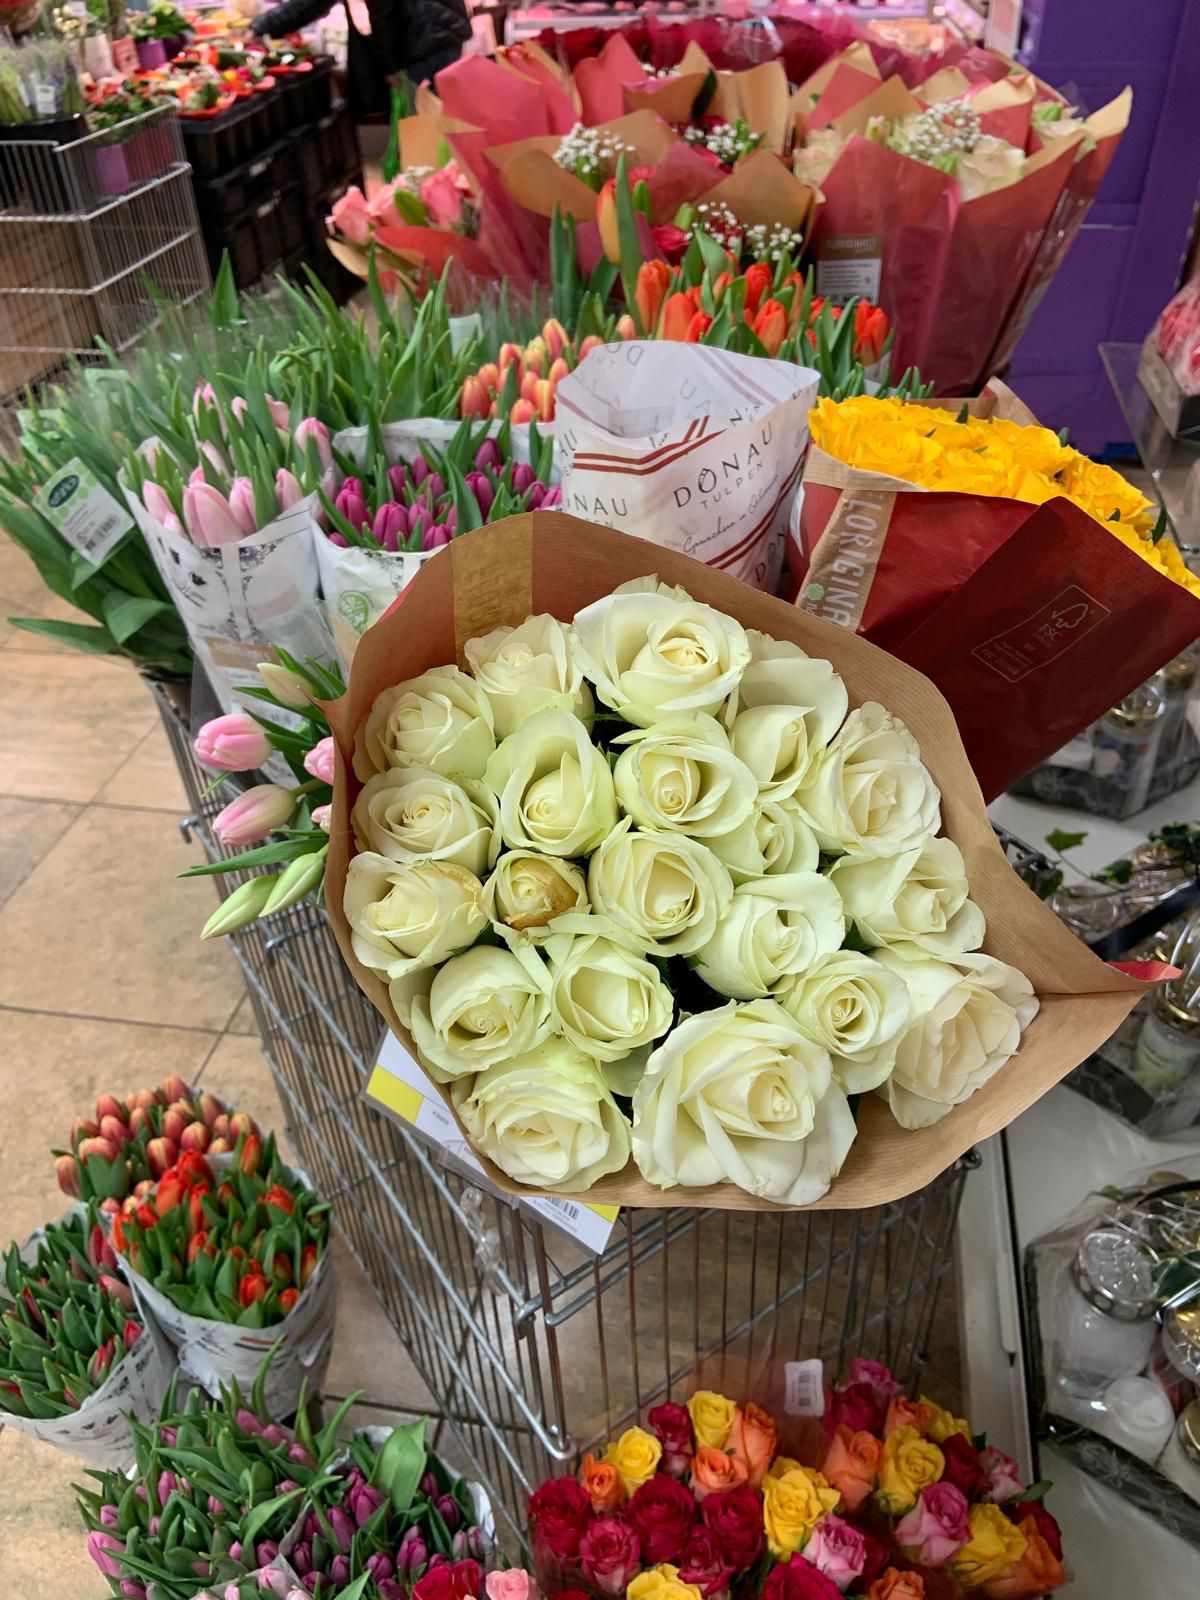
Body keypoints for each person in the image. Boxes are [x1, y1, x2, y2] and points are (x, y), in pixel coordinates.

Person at [250, 0, 470, 115]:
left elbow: (383, 10)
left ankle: (440, 190)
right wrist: (263, 27)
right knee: (438, 124)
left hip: (420, 39)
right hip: (438, 30)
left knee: (428, 128)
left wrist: (390, 66)